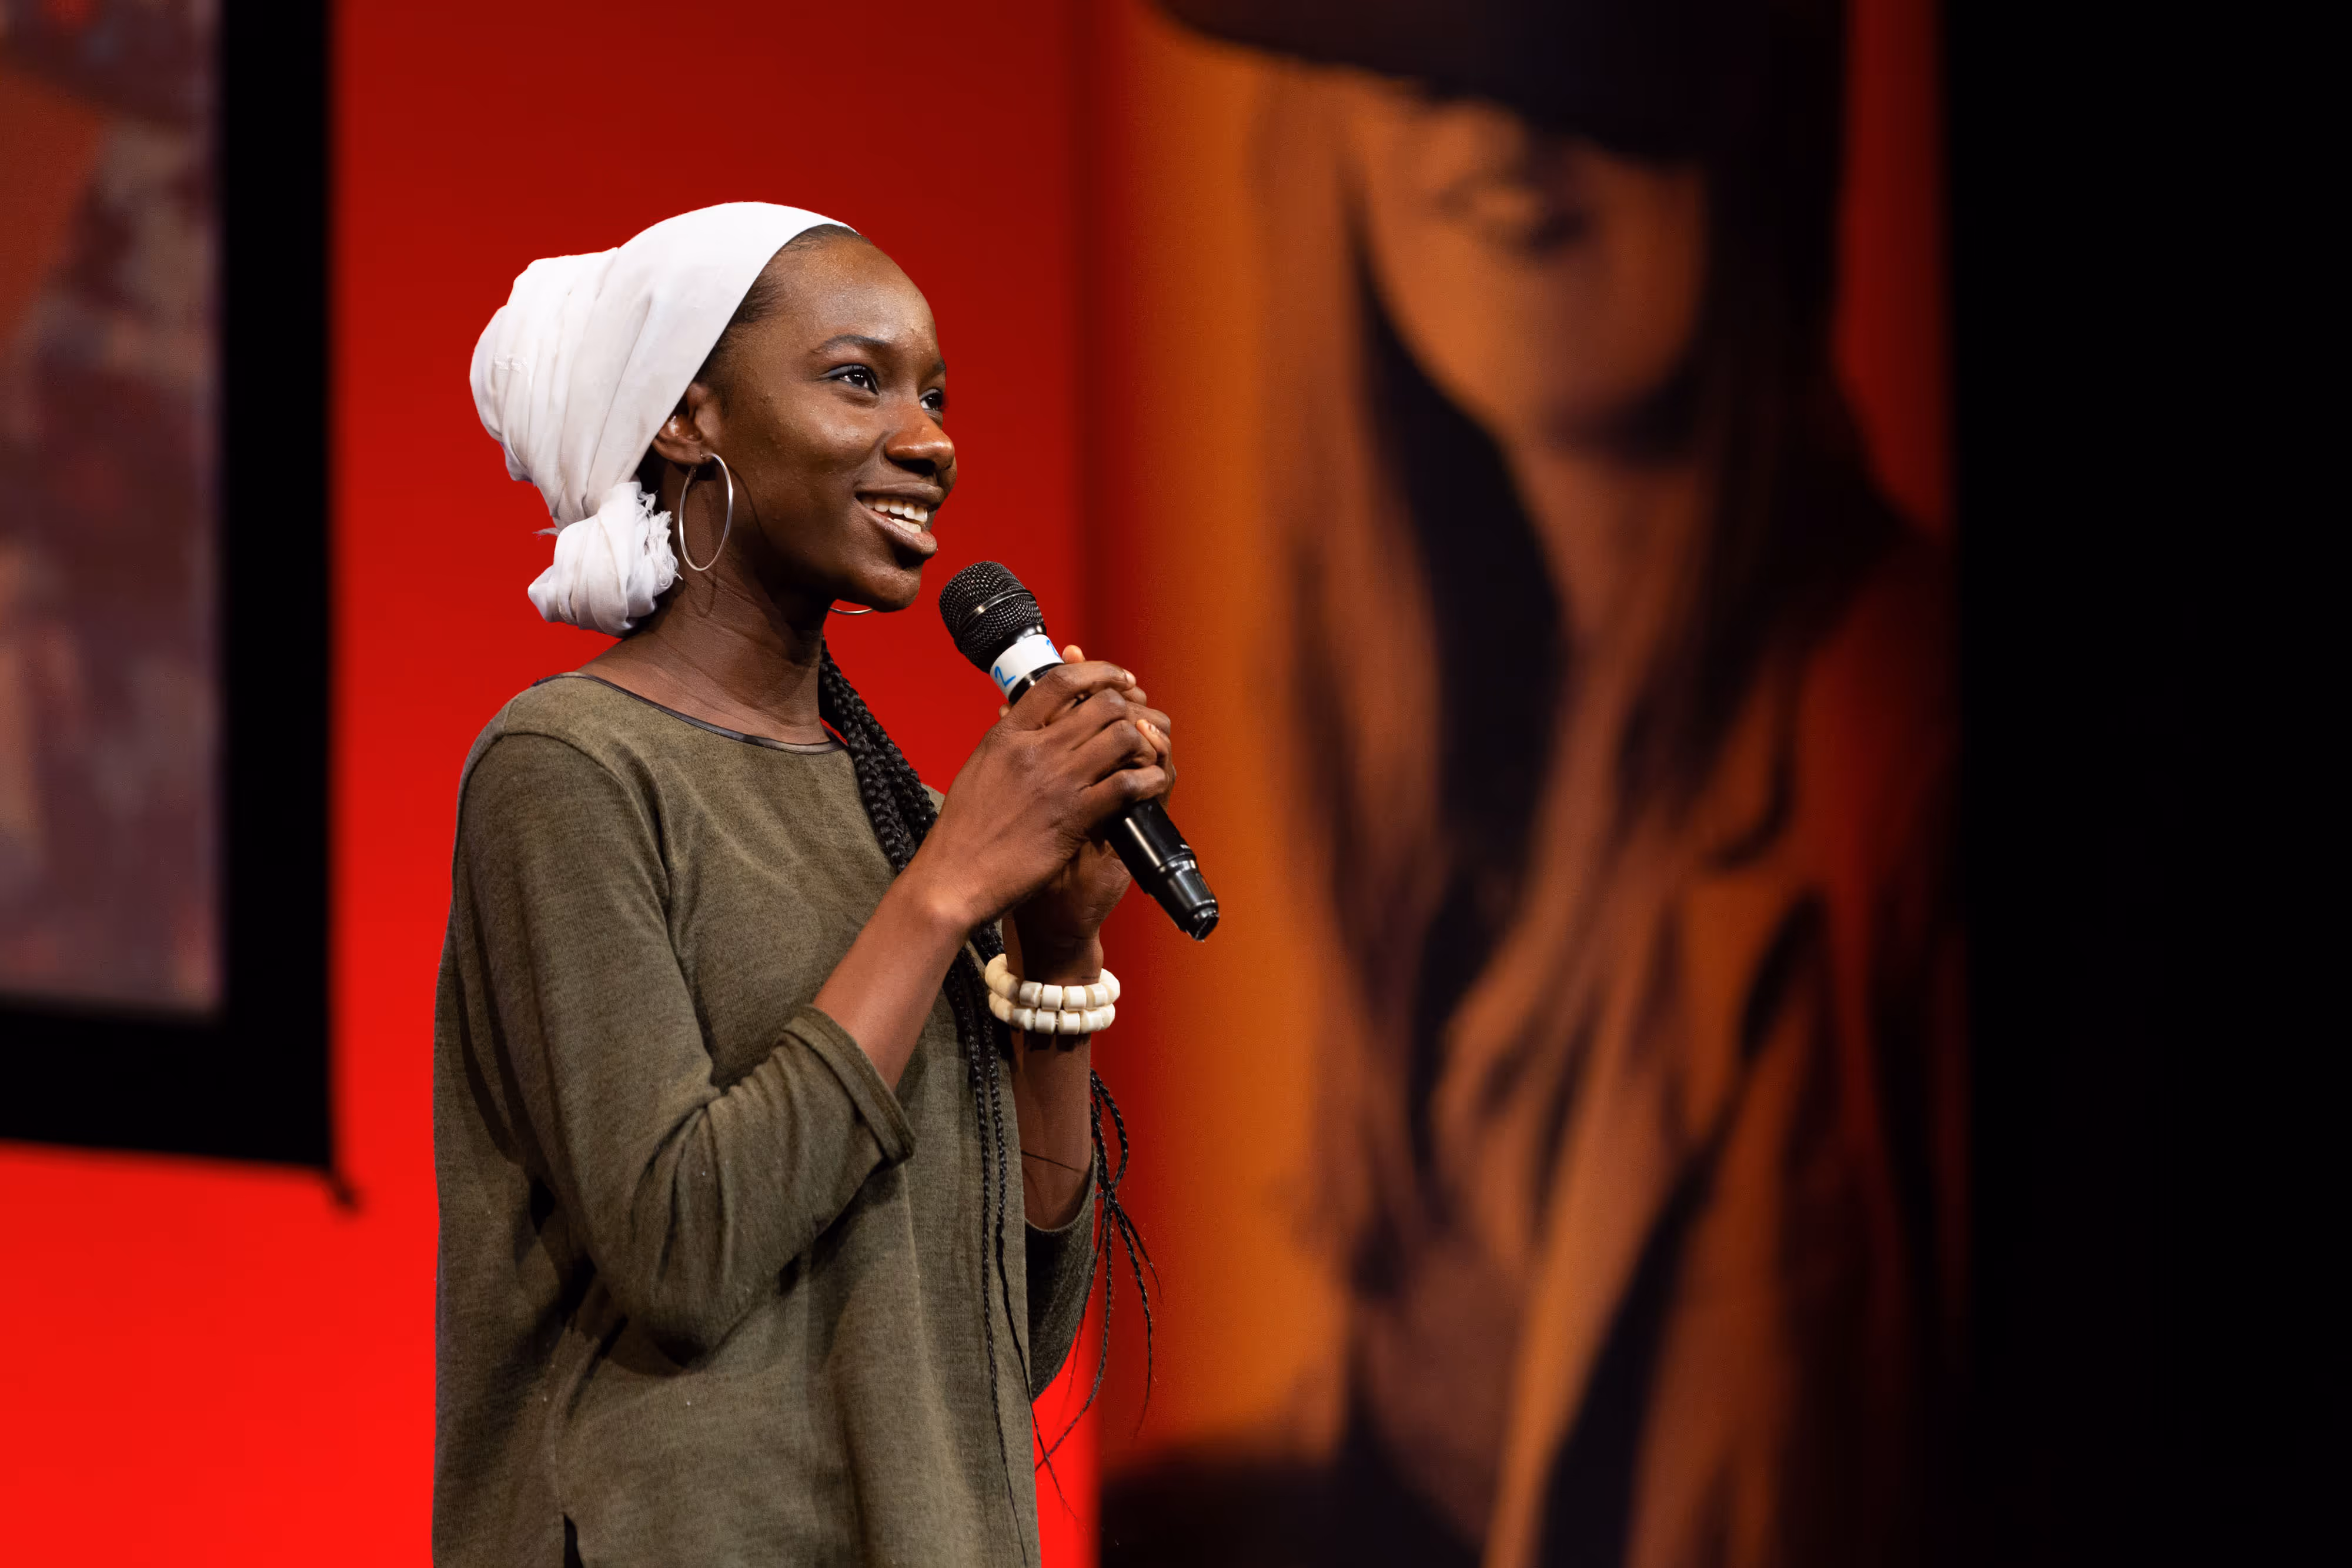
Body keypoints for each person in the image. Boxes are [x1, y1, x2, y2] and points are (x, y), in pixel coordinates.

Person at [1107, 2, 1965, 1565]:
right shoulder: (1475, 791)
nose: (1498, 129)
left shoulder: (1896, 756)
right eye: (1423, 50)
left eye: (1582, 47)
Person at [436, 204, 1168, 1566]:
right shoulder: (569, 767)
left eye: (935, 395)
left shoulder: (895, 816)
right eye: (857, 379)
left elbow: (1015, 1327)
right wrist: (946, 890)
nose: (931, 440)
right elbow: (681, 1247)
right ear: (689, 418)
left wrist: (1056, 953)